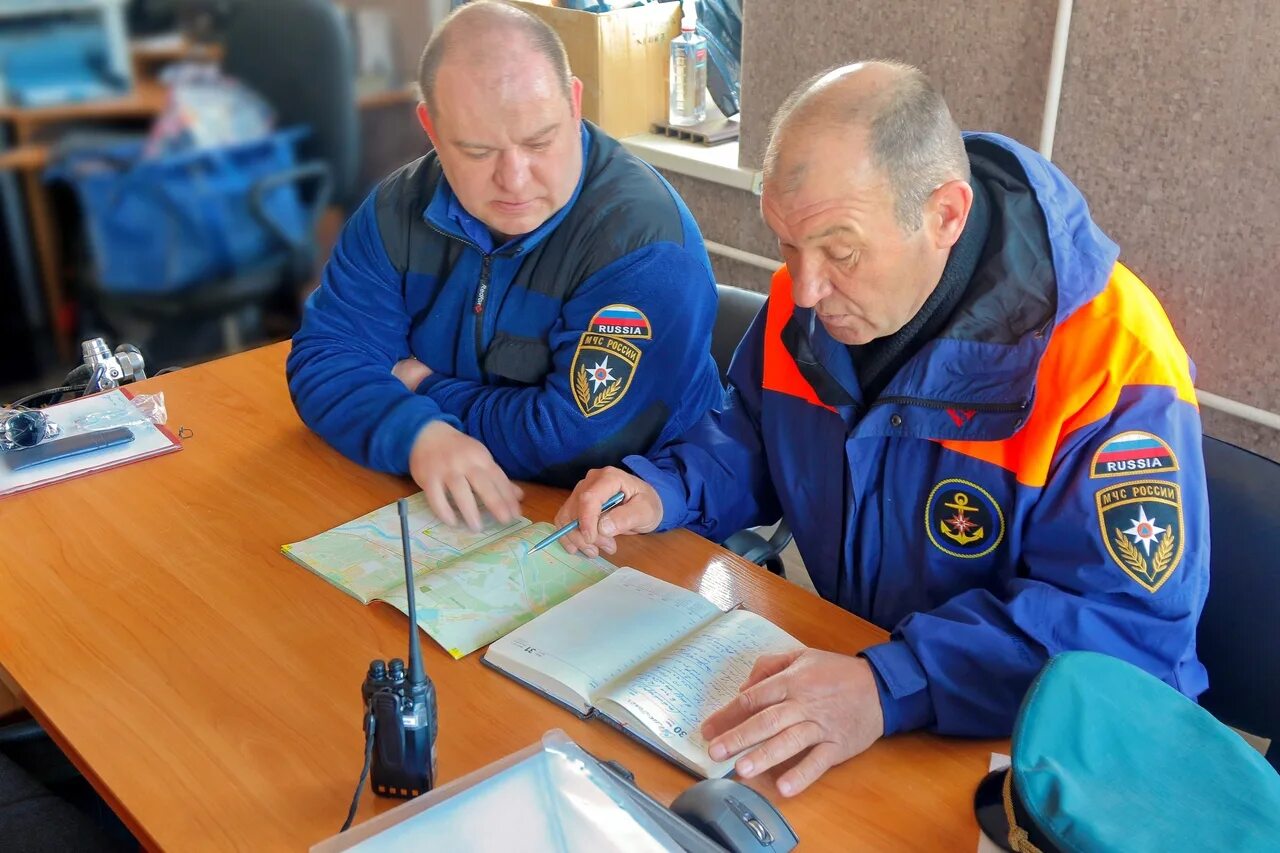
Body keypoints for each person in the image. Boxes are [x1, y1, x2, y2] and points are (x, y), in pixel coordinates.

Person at [554, 61, 1209, 797]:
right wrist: (665, 487)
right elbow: (751, 435)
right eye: (786, 246)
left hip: (1048, 752)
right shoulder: (807, 297)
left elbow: (1121, 629)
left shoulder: (1112, 355)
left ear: (946, 216)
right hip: (865, 689)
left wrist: (890, 682)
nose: (803, 288)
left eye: (842, 252)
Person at [287, 1, 721, 531]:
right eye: (476, 151)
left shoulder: (643, 246)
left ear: (574, 102)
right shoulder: (394, 211)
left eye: (539, 141)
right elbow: (325, 356)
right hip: (461, 508)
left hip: (627, 528)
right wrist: (419, 434)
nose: (515, 180)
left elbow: (570, 441)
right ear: (431, 127)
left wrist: (424, 388)